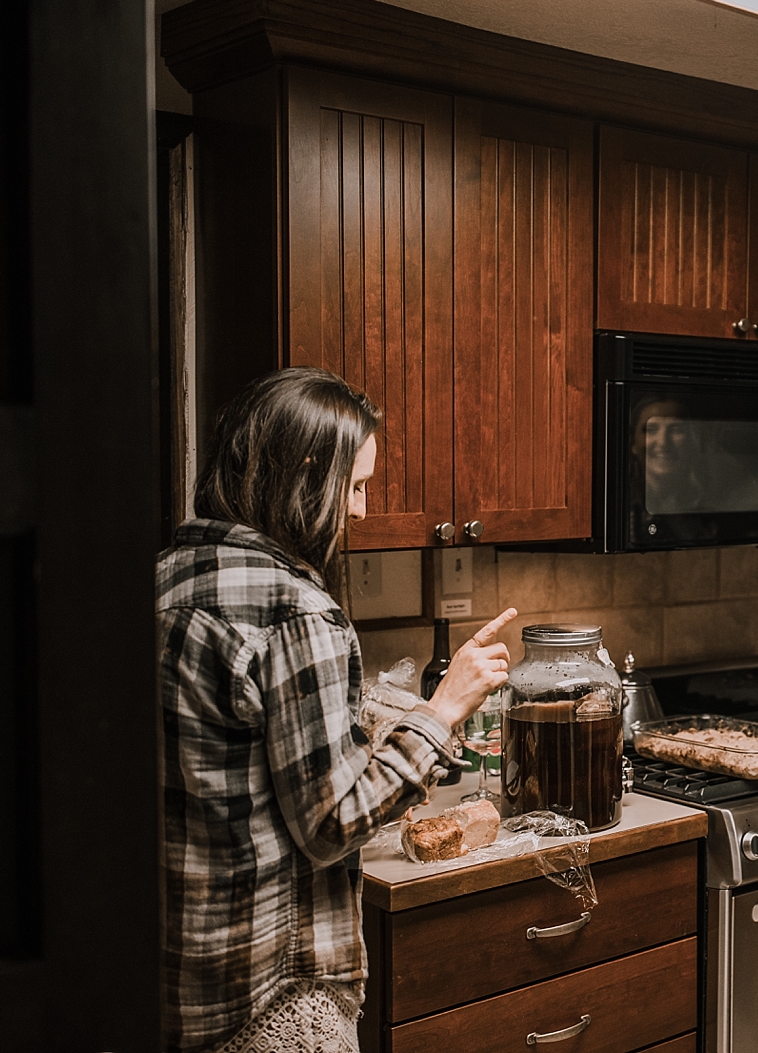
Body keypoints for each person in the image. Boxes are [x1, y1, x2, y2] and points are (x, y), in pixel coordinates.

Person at [157, 367, 517, 1053]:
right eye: (353, 486)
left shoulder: (168, 575)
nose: (358, 511)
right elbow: (332, 821)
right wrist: (443, 710)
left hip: (182, 985)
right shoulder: (296, 611)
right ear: (308, 476)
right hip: (275, 1000)